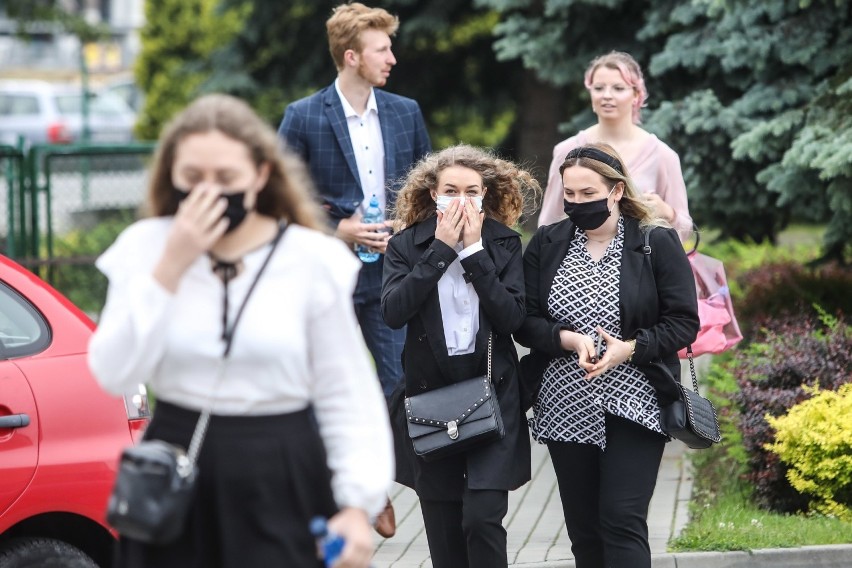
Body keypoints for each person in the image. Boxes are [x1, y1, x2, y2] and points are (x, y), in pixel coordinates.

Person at [87, 94, 393, 568]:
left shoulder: (310, 260)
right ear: (171, 173)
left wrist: (357, 505)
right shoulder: (145, 248)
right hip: (173, 468)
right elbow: (112, 371)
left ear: (261, 174)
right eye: (192, 178)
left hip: (280, 468)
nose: (208, 191)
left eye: (226, 178)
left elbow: (347, 393)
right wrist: (171, 266)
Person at [515, 143, 699, 568]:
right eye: (570, 194)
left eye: (588, 193)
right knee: (584, 530)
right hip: (565, 404)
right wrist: (568, 340)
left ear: (616, 191)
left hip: (637, 399)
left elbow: (683, 322)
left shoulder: (655, 241)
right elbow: (524, 319)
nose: (577, 203)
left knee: (622, 519)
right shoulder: (547, 242)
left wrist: (629, 349)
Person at [381, 144, 538, 568]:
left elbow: (511, 318)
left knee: (483, 519)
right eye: (452, 190)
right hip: (430, 398)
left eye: (472, 191)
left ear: (484, 194)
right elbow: (394, 311)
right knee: (445, 528)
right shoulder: (406, 245)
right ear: (434, 194)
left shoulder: (503, 244)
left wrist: (473, 253)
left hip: (492, 393)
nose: (462, 200)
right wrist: (441, 251)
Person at [278, 2, 432, 401]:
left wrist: (407, 225)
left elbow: (425, 191)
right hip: (328, 273)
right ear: (352, 57)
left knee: (400, 382)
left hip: (392, 271)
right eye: (381, 49)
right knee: (325, 386)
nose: (392, 58)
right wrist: (338, 230)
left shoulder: (406, 112)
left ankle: (393, 465)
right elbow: (280, 199)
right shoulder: (303, 116)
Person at [537, 51, 692, 241]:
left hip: (643, 264)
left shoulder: (663, 155)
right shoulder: (567, 150)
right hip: (580, 263)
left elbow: (685, 231)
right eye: (599, 88)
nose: (607, 96)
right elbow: (549, 222)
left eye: (618, 88)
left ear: (636, 95)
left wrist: (667, 212)